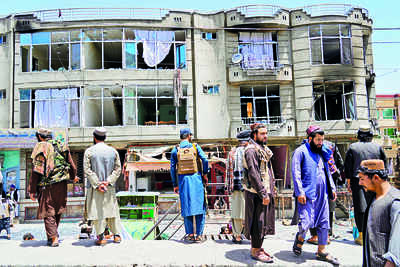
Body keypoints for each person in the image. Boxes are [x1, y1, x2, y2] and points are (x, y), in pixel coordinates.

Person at [291, 125, 339, 266]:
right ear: (310, 139)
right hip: (307, 194)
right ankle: (300, 238)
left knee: (324, 223)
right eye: (318, 140)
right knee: (305, 222)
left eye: (322, 140)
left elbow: (327, 171)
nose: (320, 142)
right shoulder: (300, 152)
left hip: (322, 194)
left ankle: (322, 251)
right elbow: (296, 173)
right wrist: (299, 192)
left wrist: (332, 187)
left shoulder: (321, 152)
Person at [28, 128, 78, 247]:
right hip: (61, 184)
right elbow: (72, 165)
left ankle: (54, 238)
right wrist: (73, 176)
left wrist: (32, 190)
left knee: (48, 210)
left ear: (40, 137)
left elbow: (36, 171)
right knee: (57, 209)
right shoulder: (61, 145)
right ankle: (52, 236)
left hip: (47, 185)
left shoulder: (41, 147)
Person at [344, 125, 387, 245]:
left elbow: (348, 167)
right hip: (376, 180)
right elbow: (384, 165)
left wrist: (348, 181)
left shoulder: (353, 147)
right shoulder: (378, 147)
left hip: (358, 181)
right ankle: (376, 234)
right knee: (375, 206)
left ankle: (362, 237)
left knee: (360, 208)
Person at [242, 123, 275, 263]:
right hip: (256, 193)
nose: (265, 136)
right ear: (254, 135)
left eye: (266, 133)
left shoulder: (262, 148)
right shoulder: (251, 150)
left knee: (263, 221)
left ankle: (258, 247)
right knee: (258, 222)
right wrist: (263, 193)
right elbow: (254, 174)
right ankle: (255, 250)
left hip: (264, 191)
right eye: (262, 133)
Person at [358, 159, 400, 267]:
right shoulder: (374, 198)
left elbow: (396, 246)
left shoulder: (395, 202)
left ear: (376, 178)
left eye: (362, 179)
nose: (360, 183)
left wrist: (390, 263)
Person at [84, 127, 122, 246]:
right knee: (112, 210)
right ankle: (117, 236)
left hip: (96, 188)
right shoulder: (113, 151)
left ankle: (101, 237)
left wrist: (97, 183)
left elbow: (87, 169)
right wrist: (108, 181)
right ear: (105, 137)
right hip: (109, 186)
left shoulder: (89, 151)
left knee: (98, 211)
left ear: (94, 137)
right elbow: (118, 169)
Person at [170, 128, 209, 243]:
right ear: (189, 136)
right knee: (199, 207)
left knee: (186, 207)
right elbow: (205, 160)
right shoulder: (195, 147)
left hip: (183, 181)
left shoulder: (175, 149)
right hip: (196, 180)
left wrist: (175, 184)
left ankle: (190, 234)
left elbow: (172, 168)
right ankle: (199, 235)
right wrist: (205, 173)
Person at [307, 140, 344, 244]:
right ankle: (327, 235)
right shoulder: (331, 146)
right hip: (330, 181)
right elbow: (340, 164)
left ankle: (315, 235)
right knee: (329, 209)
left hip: (316, 181)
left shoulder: (309, 147)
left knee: (314, 208)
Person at [226, 130, 251, 244]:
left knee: (236, 211)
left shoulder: (232, 153)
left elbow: (228, 173)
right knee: (250, 210)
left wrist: (228, 187)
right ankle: (250, 234)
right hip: (250, 187)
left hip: (235, 186)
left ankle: (237, 236)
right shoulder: (250, 151)